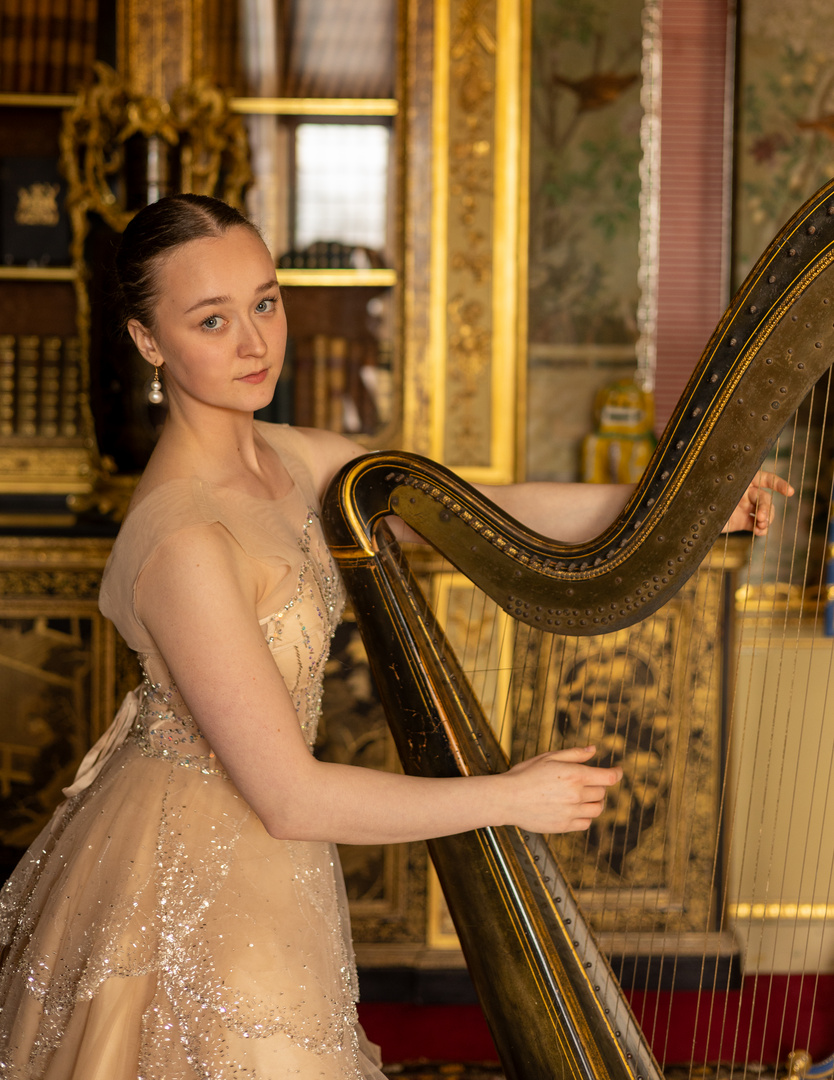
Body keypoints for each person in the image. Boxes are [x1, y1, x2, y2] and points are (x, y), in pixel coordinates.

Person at [0, 194, 791, 1079]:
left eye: (265, 302)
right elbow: (291, 799)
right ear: (149, 342)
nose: (255, 342)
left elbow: (479, 513)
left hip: (266, 853)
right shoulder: (185, 539)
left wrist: (684, 509)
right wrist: (508, 798)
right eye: (212, 320)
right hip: (202, 870)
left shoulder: (287, 459)